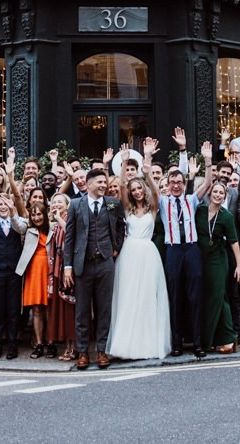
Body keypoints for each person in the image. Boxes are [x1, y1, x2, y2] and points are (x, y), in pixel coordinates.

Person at [107, 137, 171, 360]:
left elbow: (155, 190)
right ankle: (124, 345)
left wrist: (148, 159)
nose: (136, 191)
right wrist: (124, 164)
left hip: (148, 255)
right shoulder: (128, 209)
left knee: (146, 299)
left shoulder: (153, 208)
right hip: (129, 254)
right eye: (133, 189)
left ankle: (145, 345)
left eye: (138, 188)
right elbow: (122, 186)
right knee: (127, 298)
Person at [156, 134, 213, 359]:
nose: (177, 185)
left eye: (180, 182)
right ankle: (177, 343)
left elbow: (208, 183)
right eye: (173, 183)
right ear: (168, 185)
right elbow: (150, 183)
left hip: (191, 250)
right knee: (175, 296)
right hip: (173, 251)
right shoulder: (163, 201)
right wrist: (150, 158)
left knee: (195, 296)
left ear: (184, 183)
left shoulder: (191, 200)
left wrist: (207, 161)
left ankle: (197, 343)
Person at [64, 168, 126, 370]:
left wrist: (115, 248)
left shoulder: (113, 203)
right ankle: (82, 352)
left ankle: (101, 350)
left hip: (105, 264)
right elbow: (70, 237)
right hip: (83, 264)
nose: (103, 185)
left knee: (104, 309)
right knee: (82, 311)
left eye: (104, 182)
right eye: (99, 182)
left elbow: (120, 227)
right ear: (89, 184)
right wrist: (67, 266)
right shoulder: (75, 204)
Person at [196, 181, 240, 353]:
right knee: (212, 298)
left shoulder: (227, 216)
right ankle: (223, 338)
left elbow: (234, 242)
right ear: (209, 194)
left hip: (218, 260)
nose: (217, 195)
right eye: (215, 192)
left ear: (225, 196)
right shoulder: (199, 211)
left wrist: (239, 266)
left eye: (221, 193)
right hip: (200, 260)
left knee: (218, 297)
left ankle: (226, 339)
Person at [13, 197, 56, 360]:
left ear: (45, 215)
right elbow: (16, 224)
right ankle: (39, 344)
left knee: (50, 309)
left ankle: (50, 342)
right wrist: (12, 210)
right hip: (33, 271)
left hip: (50, 270)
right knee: (37, 309)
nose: (37, 217)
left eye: (40, 214)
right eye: (34, 215)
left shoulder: (53, 228)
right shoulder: (28, 229)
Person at [47, 192, 76, 361]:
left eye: (60, 202)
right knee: (61, 313)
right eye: (54, 202)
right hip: (57, 270)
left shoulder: (69, 218)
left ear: (67, 205)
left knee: (70, 311)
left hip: (69, 270)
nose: (56, 204)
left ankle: (74, 347)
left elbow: (72, 235)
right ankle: (67, 346)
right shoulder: (54, 224)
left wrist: (59, 219)